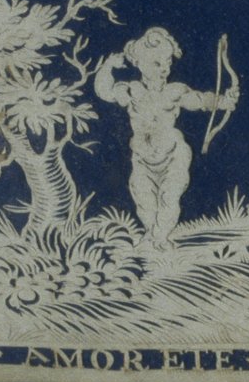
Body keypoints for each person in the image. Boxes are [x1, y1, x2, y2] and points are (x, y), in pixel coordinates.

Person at [95, 28, 238, 247]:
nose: (164, 69)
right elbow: (104, 91)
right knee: (144, 200)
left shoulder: (175, 91)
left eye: (167, 62)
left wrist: (224, 101)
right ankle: (151, 235)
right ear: (139, 63)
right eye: (156, 63)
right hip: (142, 159)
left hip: (174, 156)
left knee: (169, 198)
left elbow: (199, 100)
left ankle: (161, 238)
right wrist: (107, 67)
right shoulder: (132, 91)